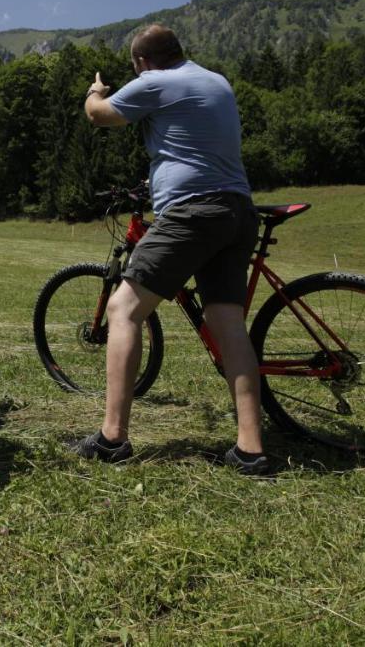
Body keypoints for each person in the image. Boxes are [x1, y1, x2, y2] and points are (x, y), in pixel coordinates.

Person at [75, 24, 269, 475]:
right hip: (237, 210)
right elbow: (191, 145)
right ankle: (250, 449)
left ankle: (111, 439)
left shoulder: (155, 81)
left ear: (141, 63)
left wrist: (95, 89)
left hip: (194, 214)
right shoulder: (215, 80)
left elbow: (98, 115)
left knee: (123, 309)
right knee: (228, 325)